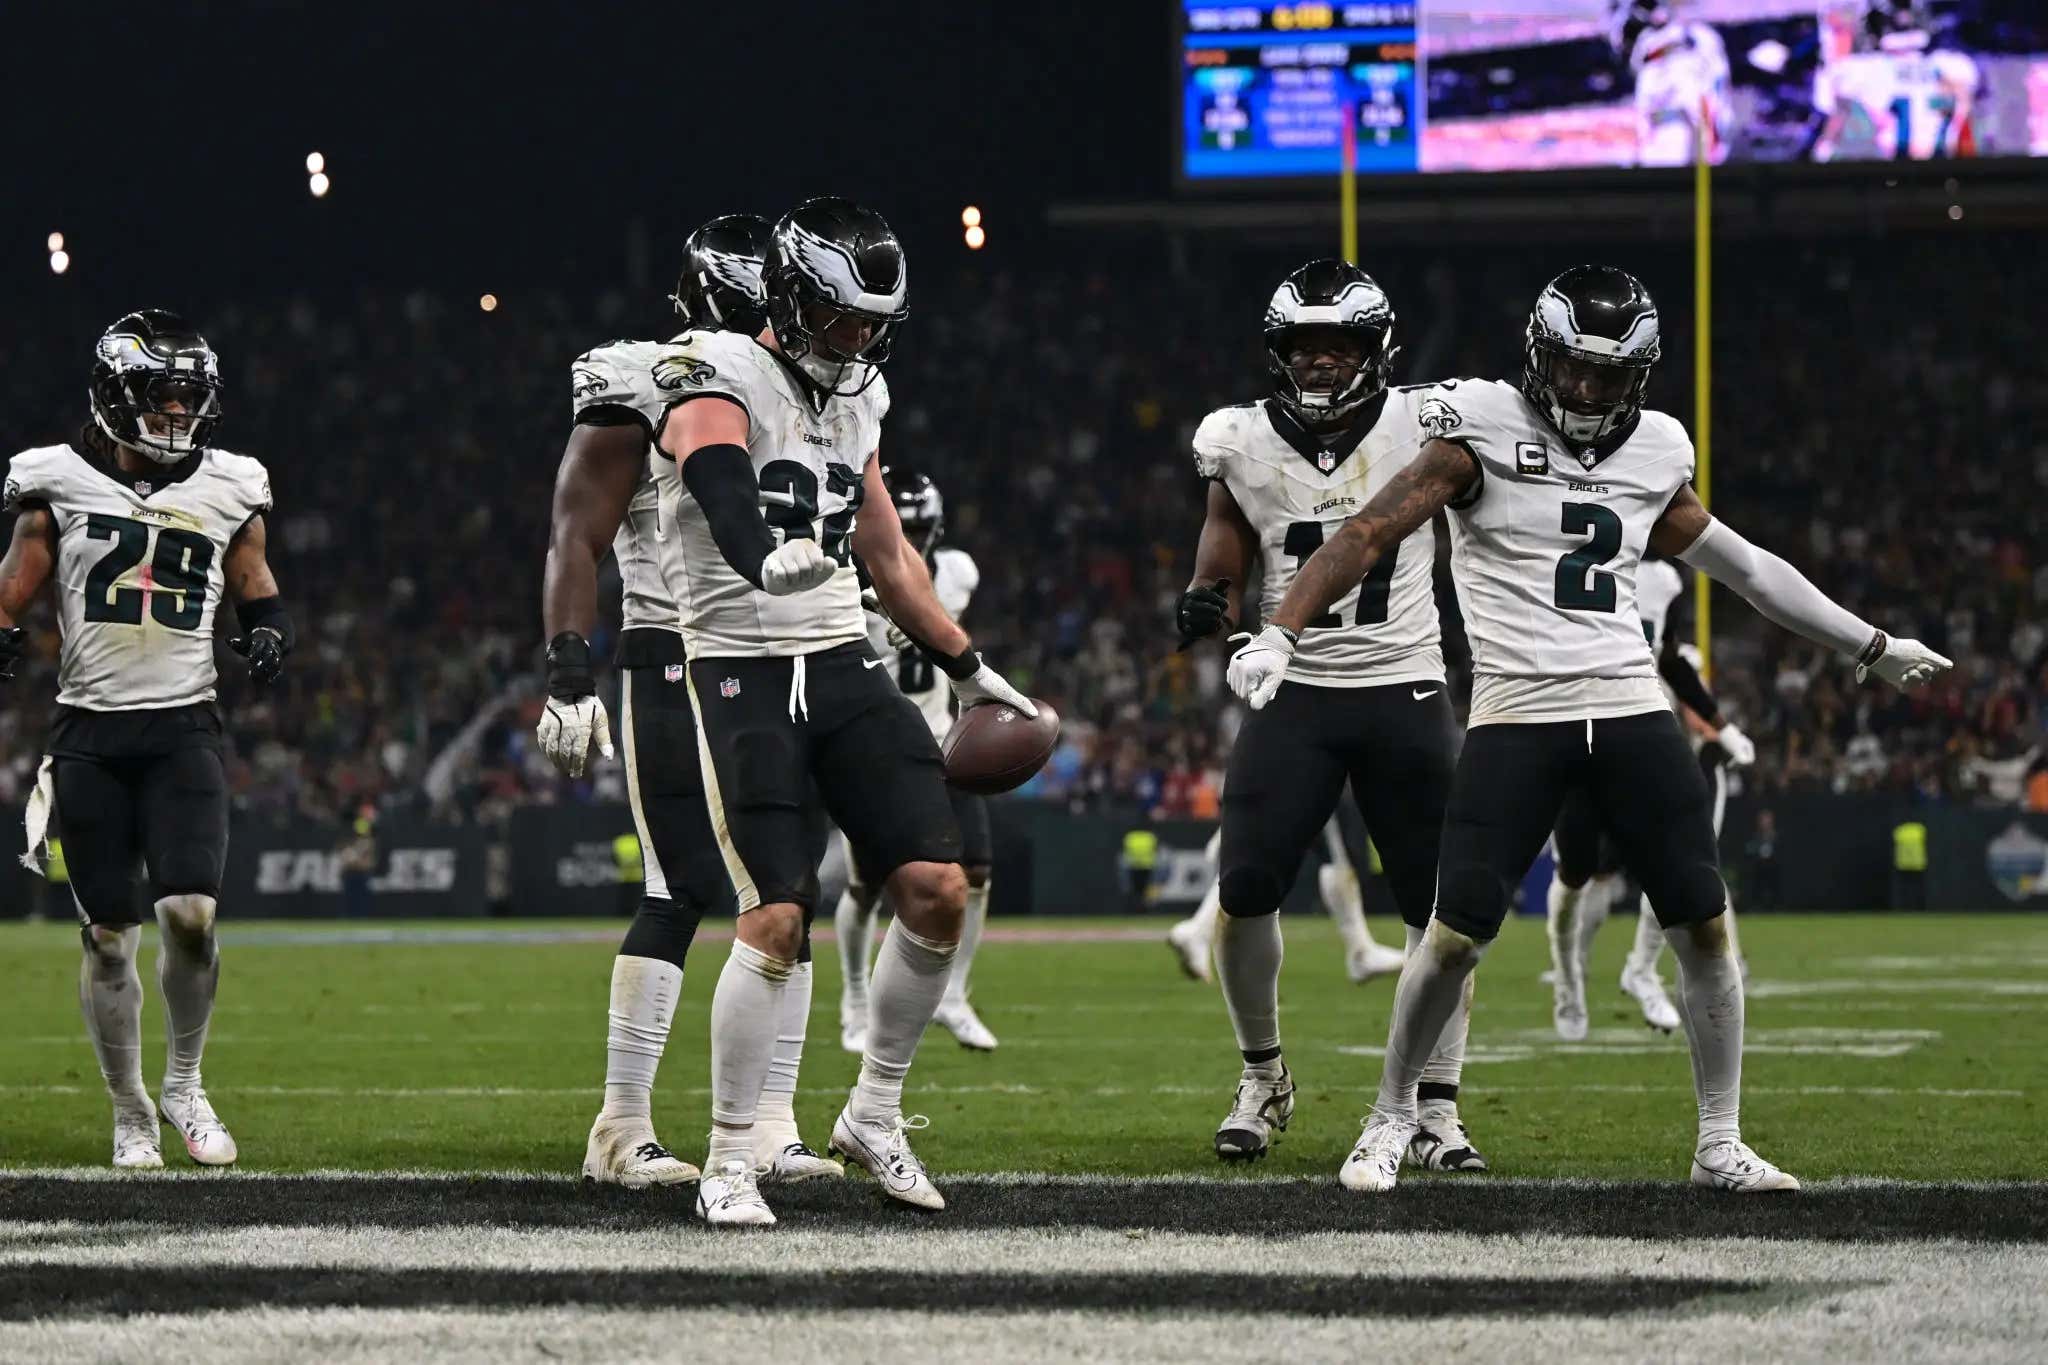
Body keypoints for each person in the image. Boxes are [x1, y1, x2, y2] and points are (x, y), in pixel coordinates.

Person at [1228, 264, 1950, 1193]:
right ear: (1540, 357)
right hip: (1519, 711)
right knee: (1453, 934)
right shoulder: (1478, 428)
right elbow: (1366, 531)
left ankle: (1719, 1140)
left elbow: (1750, 570)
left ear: (1638, 377)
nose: (1584, 390)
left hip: (1630, 703)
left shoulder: (1655, 451)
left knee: (1705, 921)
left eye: (1608, 376)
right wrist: (1283, 630)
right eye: (1571, 368)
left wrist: (1871, 643)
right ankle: (1390, 1117)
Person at [650, 196, 1034, 1225]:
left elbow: (886, 554)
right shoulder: (715, 365)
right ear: (783, 296)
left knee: (938, 886)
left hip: (841, 658)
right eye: (838, 320)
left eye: (873, 325)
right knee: (775, 912)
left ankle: (872, 1111)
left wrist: (966, 665)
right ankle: (731, 1156)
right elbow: (714, 465)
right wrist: (755, 549)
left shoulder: (858, 397)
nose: (856, 342)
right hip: (737, 660)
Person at [539, 214, 837, 1191]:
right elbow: (574, 536)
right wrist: (568, 669)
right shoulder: (644, 381)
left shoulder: (813, 386)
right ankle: (619, 1125)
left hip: (784, 650)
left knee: (785, 890)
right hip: (674, 648)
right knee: (679, 887)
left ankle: (769, 1125)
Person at [1176, 259, 1483, 1172]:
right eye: (1301, 348)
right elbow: (1225, 544)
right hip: (1295, 687)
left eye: (1335, 346)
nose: (1315, 364)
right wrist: (1207, 594)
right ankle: (1263, 1074)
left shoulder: (1426, 423)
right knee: (1245, 888)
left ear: (1376, 349)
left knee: (1441, 910)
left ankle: (1437, 1106)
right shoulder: (1235, 440)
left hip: (1406, 685)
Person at [1, 309, 292, 1169]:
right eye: (158, 398)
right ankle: (129, 1108)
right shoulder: (54, 481)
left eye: (186, 399)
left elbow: (257, 584)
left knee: (193, 916)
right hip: (90, 733)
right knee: (107, 934)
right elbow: (13, 586)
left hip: (184, 727)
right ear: (113, 396)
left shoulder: (231, 484)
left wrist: (271, 632)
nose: (174, 415)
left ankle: (184, 1082)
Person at [1544, 553, 1755, 1038]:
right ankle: (1569, 977)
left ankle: (1640, 970)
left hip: (1640, 730)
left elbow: (1668, 657)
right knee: (1577, 869)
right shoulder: (1560, 548)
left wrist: (1721, 726)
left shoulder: (1664, 580)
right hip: (1567, 723)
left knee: (1676, 855)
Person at [836, 467, 998, 1053]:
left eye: (920, 526)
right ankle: (854, 1003)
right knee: (867, 886)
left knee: (976, 872)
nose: (912, 535)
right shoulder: (846, 576)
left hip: (944, 741)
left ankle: (953, 997)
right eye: (901, 525)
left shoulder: (956, 571)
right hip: (875, 745)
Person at [1164, 791, 1407, 987]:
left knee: (1272, 850)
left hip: (1294, 762)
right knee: (1331, 852)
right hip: (1312, 763)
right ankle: (1361, 952)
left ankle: (1198, 931)